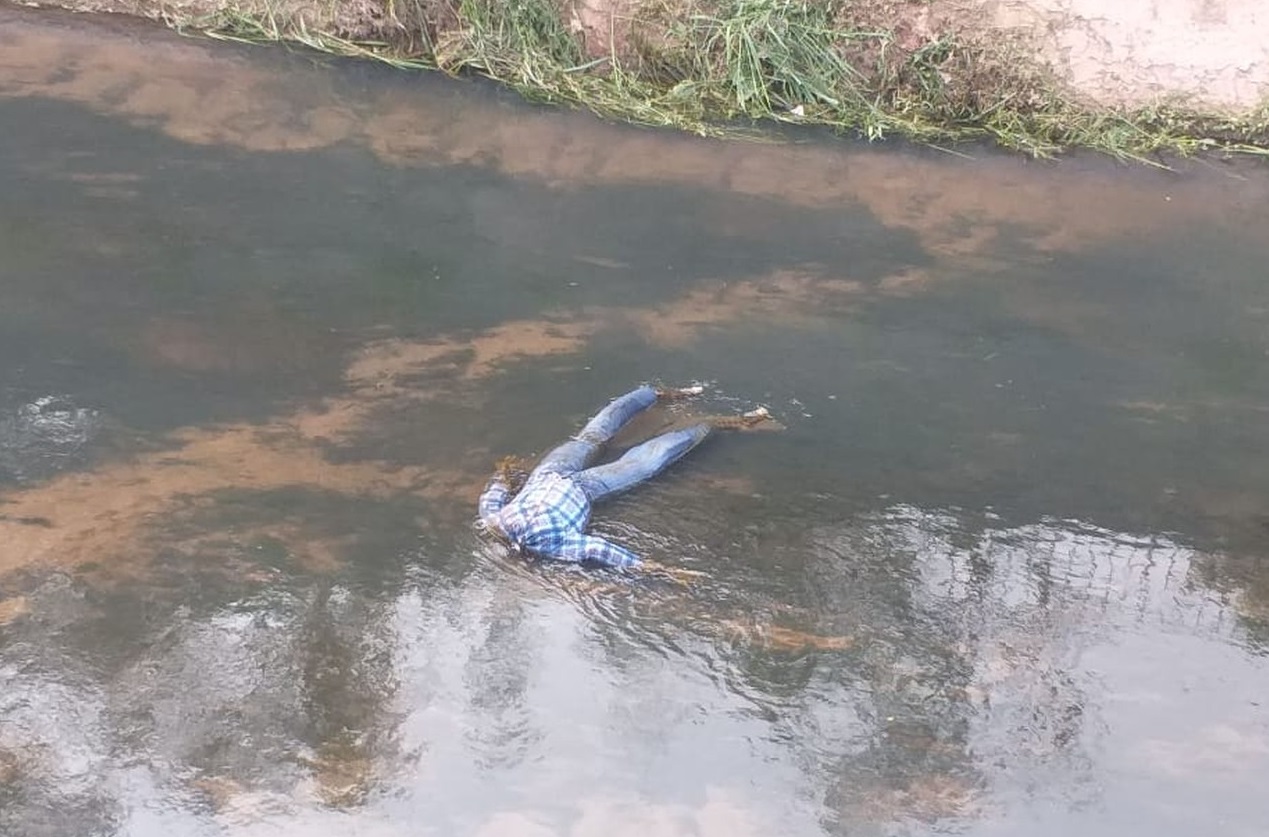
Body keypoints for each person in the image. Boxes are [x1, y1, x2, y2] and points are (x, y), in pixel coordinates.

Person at [477, 384, 773, 570]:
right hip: (582, 487)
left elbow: (493, 496)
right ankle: (717, 421)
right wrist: (648, 567)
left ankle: (656, 395)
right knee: (642, 459)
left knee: (608, 444)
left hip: (551, 474)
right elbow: (599, 548)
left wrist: (503, 476)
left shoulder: (509, 528)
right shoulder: (539, 540)